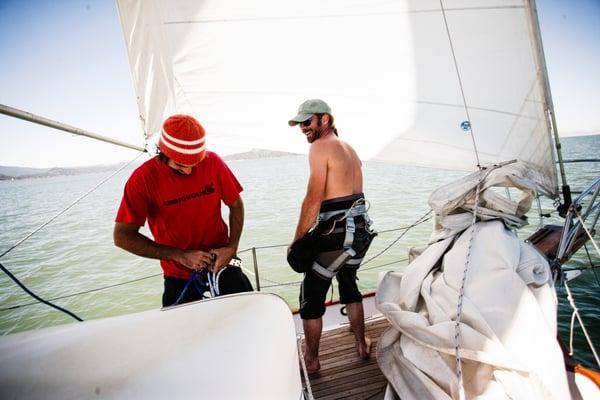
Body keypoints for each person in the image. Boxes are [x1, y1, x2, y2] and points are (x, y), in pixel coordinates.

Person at [114, 114, 252, 307]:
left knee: (248, 312)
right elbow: (122, 237)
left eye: (194, 164)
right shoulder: (143, 179)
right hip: (177, 274)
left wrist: (232, 248)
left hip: (223, 263)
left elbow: (236, 205)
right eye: (180, 165)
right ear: (162, 152)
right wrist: (180, 256)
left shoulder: (213, 162)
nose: (188, 171)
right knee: (180, 334)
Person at [287, 99, 377, 373]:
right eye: (300, 123)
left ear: (324, 119)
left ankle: (312, 361)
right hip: (360, 232)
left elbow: (313, 199)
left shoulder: (319, 147)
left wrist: (297, 240)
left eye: (307, 121)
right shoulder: (349, 149)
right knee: (348, 282)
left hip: (338, 235)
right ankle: (362, 344)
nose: (303, 128)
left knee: (311, 295)